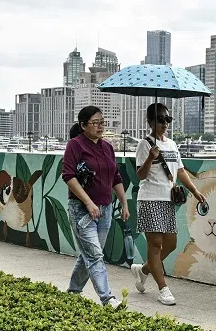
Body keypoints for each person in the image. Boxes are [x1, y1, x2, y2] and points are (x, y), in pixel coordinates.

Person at [131, 103, 205, 305]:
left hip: (168, 200)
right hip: (150, 199)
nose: (164, 124)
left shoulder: (171, 144)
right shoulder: (145, 145)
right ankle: (163, 289)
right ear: (150, 122)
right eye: (160, 120)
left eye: (167, 120)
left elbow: (180, 171)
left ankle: (144, 269)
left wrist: (195, 191)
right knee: (155, 246)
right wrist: (150, 159)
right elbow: (140, 175)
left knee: (170, 245)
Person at [61, 106, 129, 308]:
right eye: (95, 123)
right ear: (83, 126)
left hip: (105, 209)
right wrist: (88, 202)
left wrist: (124, 203)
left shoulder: (107, 147)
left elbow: (115, 177)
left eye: (102, 122)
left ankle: (73, 293)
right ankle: (107, 299)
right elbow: (69, 176)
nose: (100, 126)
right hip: (82, 209)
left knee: (89, 255)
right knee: (95, 255)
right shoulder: (75, 145)